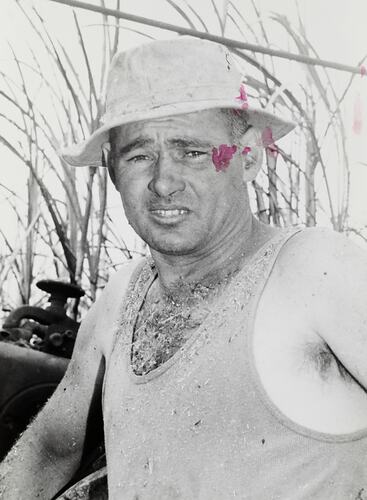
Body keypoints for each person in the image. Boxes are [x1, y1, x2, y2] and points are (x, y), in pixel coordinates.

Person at [1, 36, 367, 500]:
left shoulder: (315, 271)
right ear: (113, 169)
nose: (163, 182)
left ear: (249, 156)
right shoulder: (120, 298)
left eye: (191, 151)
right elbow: (53, 447)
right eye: (139, 156)